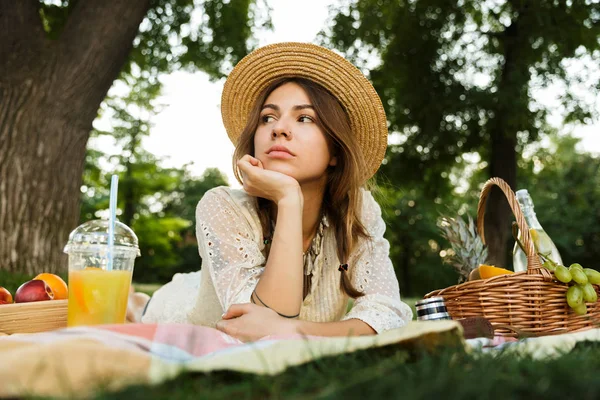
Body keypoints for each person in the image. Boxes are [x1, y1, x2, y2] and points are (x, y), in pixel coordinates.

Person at [137, 42, 413, 342]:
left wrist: (295, 330)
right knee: (140, 308)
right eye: (267, 117)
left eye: (304, 118)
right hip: (178, 310)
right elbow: (258, 331)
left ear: (335, 150)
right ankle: (136, 302)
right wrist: (288, 198)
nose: (278, 129)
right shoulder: (221, 205)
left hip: (212, 288)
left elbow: (387, 312)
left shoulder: (358, 210)